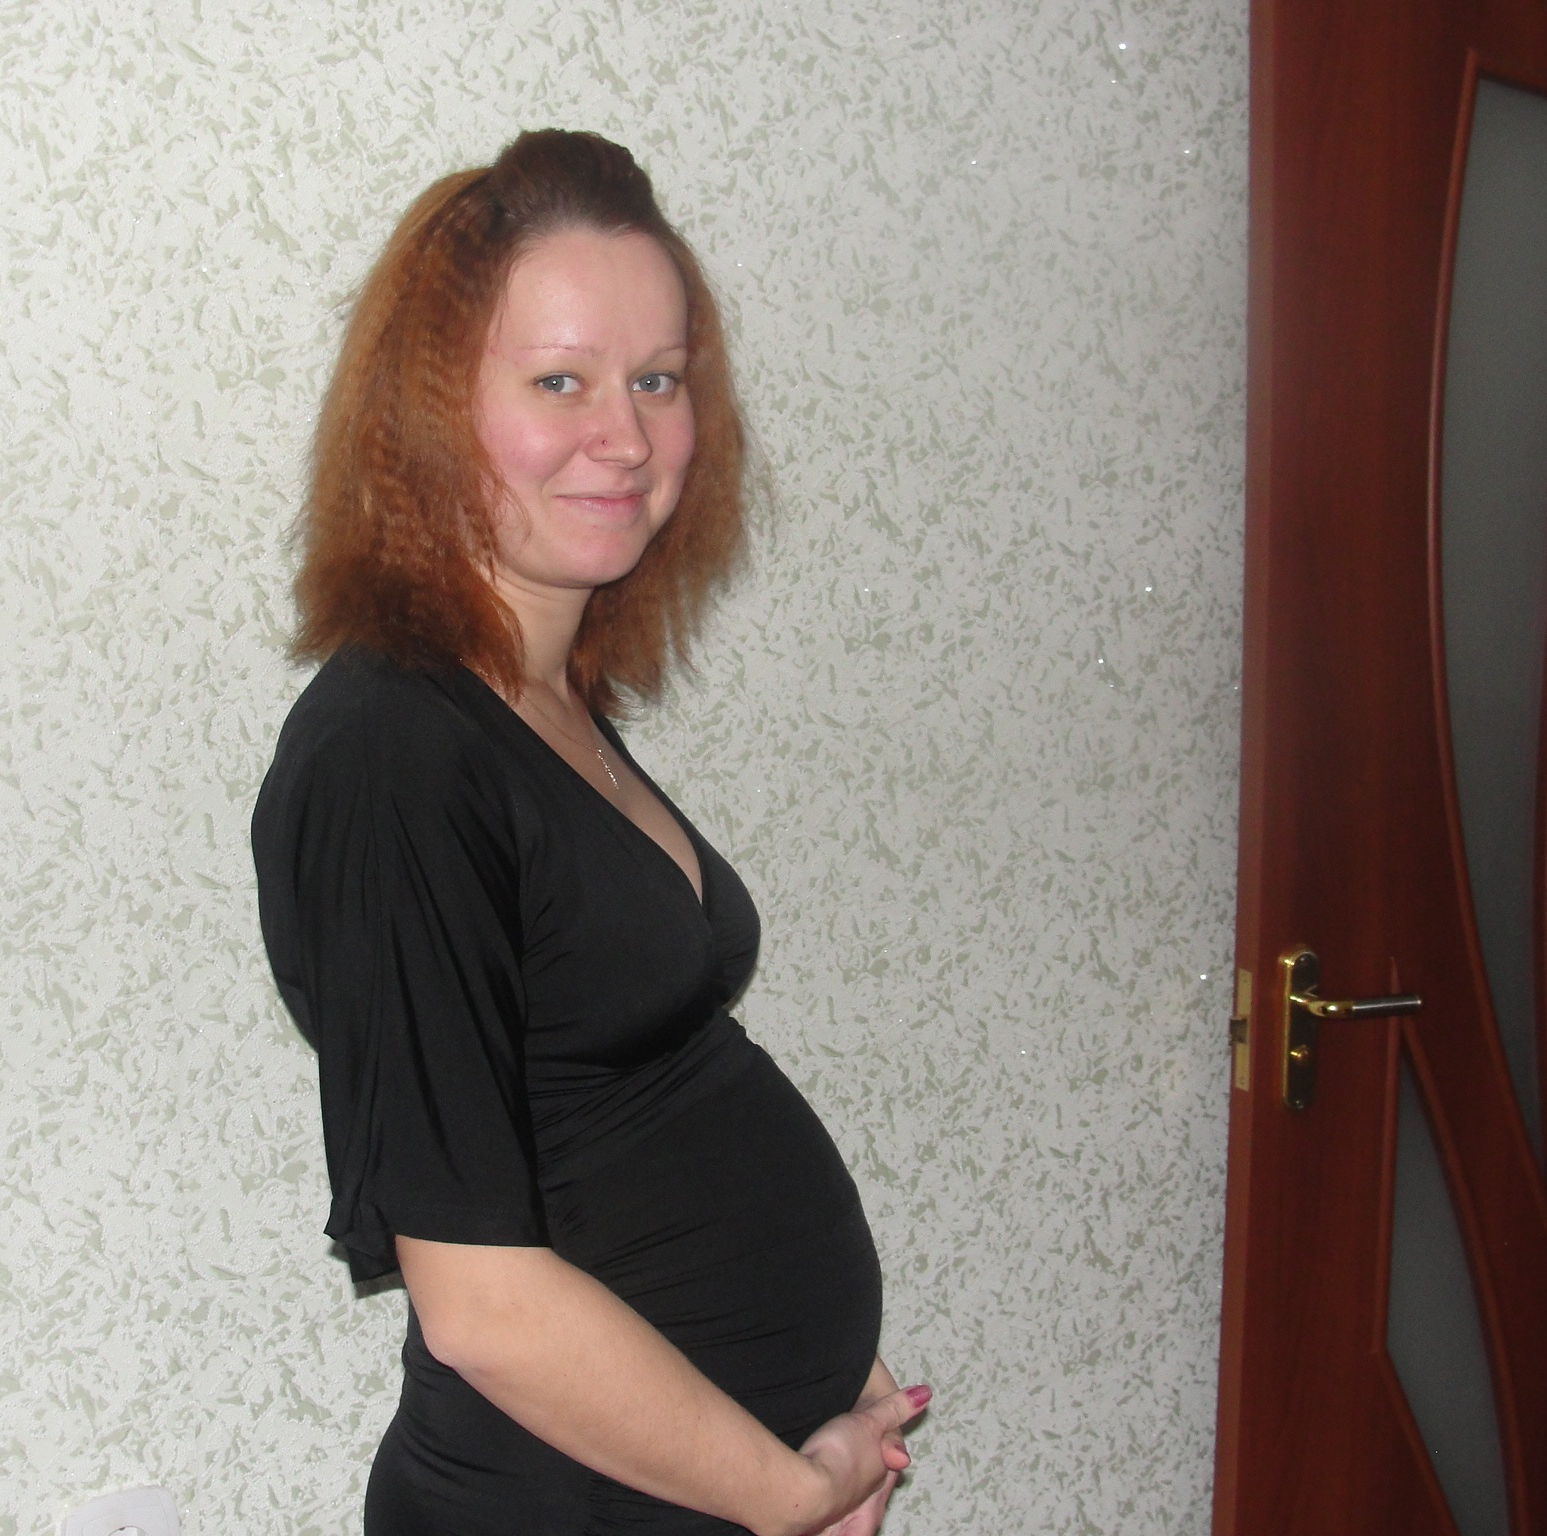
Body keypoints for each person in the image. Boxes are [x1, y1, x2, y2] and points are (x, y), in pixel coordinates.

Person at [252, 129, 928, 1536]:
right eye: (559, 381)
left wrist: (835, 1398)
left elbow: (633, 1106)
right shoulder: (393, 756)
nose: (625, 437)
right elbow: (482, 1303)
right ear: (432, 411)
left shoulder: (541, 695)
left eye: (657, 380)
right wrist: (787, 1492)